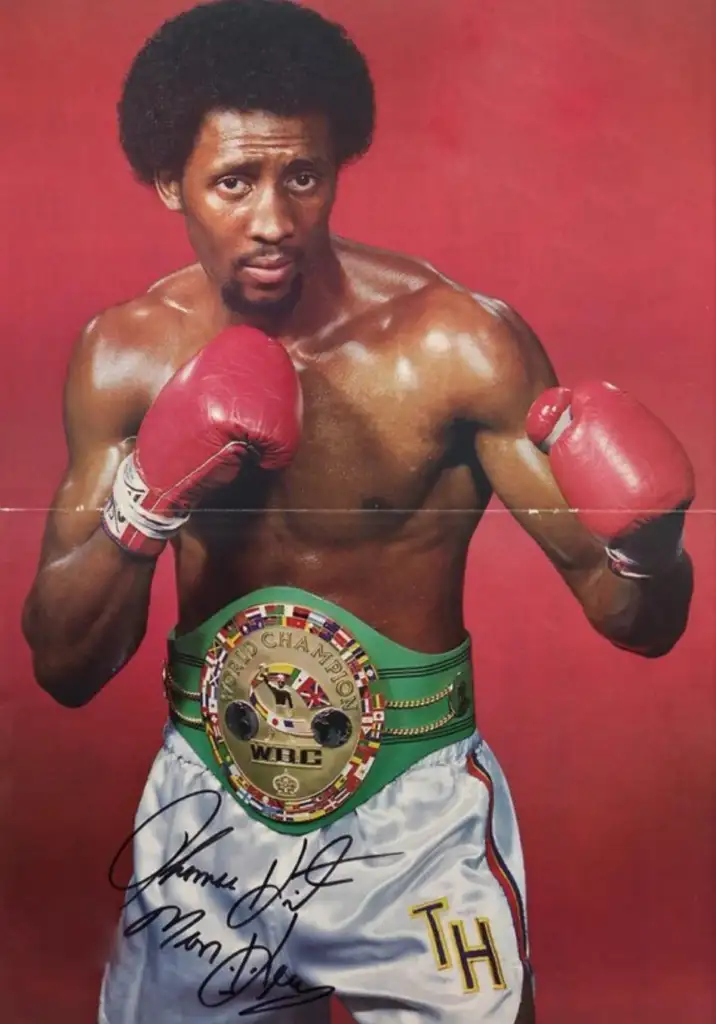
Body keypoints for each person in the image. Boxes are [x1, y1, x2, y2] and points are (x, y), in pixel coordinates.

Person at [21, 2, 695, 1022]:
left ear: (337, 164)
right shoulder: (124, 357)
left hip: (412, 828)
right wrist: (141, 504)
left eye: (302, 176)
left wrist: (649, 548)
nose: (273, 219)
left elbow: (636, 622)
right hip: (210, 822)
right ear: (170, 183)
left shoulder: (455, 348)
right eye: (232, 181)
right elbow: (64, 665)